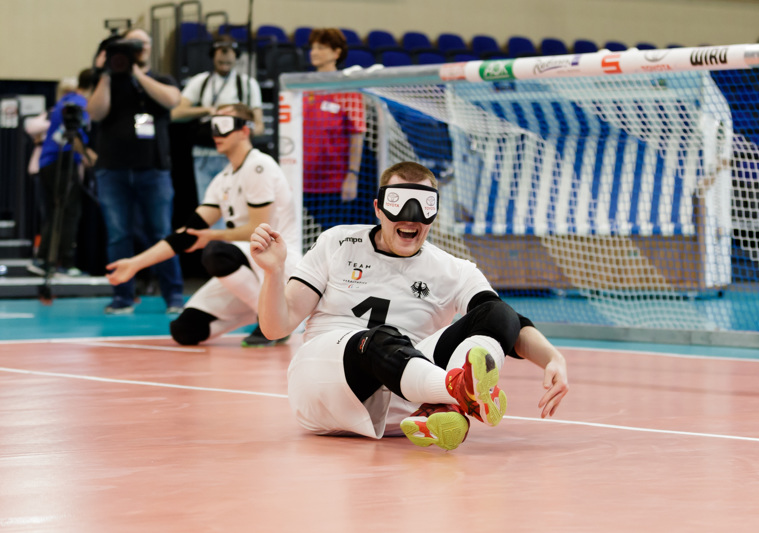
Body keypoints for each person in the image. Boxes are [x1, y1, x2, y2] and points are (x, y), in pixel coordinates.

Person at [250, 161, 568, 451]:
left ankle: (439, 404)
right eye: (398, 204)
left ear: (434, 213)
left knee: (498, 311)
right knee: (379, 337)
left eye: (423, 206)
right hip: (324, 385)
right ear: (377, 208)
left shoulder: (452, 269)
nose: (411, 215)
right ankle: (455, 393)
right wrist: (273, 272)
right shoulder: (337, 243)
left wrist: (553, 358)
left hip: (404, 399)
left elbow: (508, 322)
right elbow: (276, 326)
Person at [106, 104, 300, 347]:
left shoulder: (259, 166)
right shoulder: (222, 180)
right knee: (184, 330)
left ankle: (273, 320)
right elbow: (189, 233)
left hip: (276, 265)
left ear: (244, 131)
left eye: (225, 126)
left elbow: (257, 229)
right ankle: (257, 309)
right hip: (243, 272)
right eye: (213, 126)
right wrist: (134, 264)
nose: (216, 134)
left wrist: (212, 235)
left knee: (215, 252)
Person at [87, 27, 185, 315]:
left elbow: (172, 100)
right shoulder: (107, 80)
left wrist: (136, 73)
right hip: (112, 170)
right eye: (129, 45)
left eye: (140, 44)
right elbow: (95, 113)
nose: (135, 49)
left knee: (162, 232)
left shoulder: (159, 78)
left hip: (153, 169)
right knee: (119, 234)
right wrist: (106, 72)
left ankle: (174, 296)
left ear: (148, 48)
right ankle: (123, 296)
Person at [172, 34, 265, 205]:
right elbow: (175, 113)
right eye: (221, 59)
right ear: (212, 56)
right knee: (209, 205)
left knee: (237, 206)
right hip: (204, 154)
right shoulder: (200, 81)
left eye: (229, 60)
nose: (224, 63)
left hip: (236, 155)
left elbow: (259, 126)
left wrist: (238, 125)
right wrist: (207, 110)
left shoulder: (247, 84)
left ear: (236, 58)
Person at [27, 70, 96, 277]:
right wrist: (89, 155)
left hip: (49, 162)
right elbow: (74, 135)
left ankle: (46, 260)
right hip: (61, 163)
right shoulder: (79, 104)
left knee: (55, 211)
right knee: (67, 211)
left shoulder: (64, 102)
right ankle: (62, 262)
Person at [303, 28, 368, 233]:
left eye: (321, 47)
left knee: (333, 240)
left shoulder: (348, 90)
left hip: (333, 183)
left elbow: (357, 135)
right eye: (313, 47)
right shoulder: (301, 89)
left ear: (336, 53)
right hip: (303, 181)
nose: (314, 52)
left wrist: (352, 175)